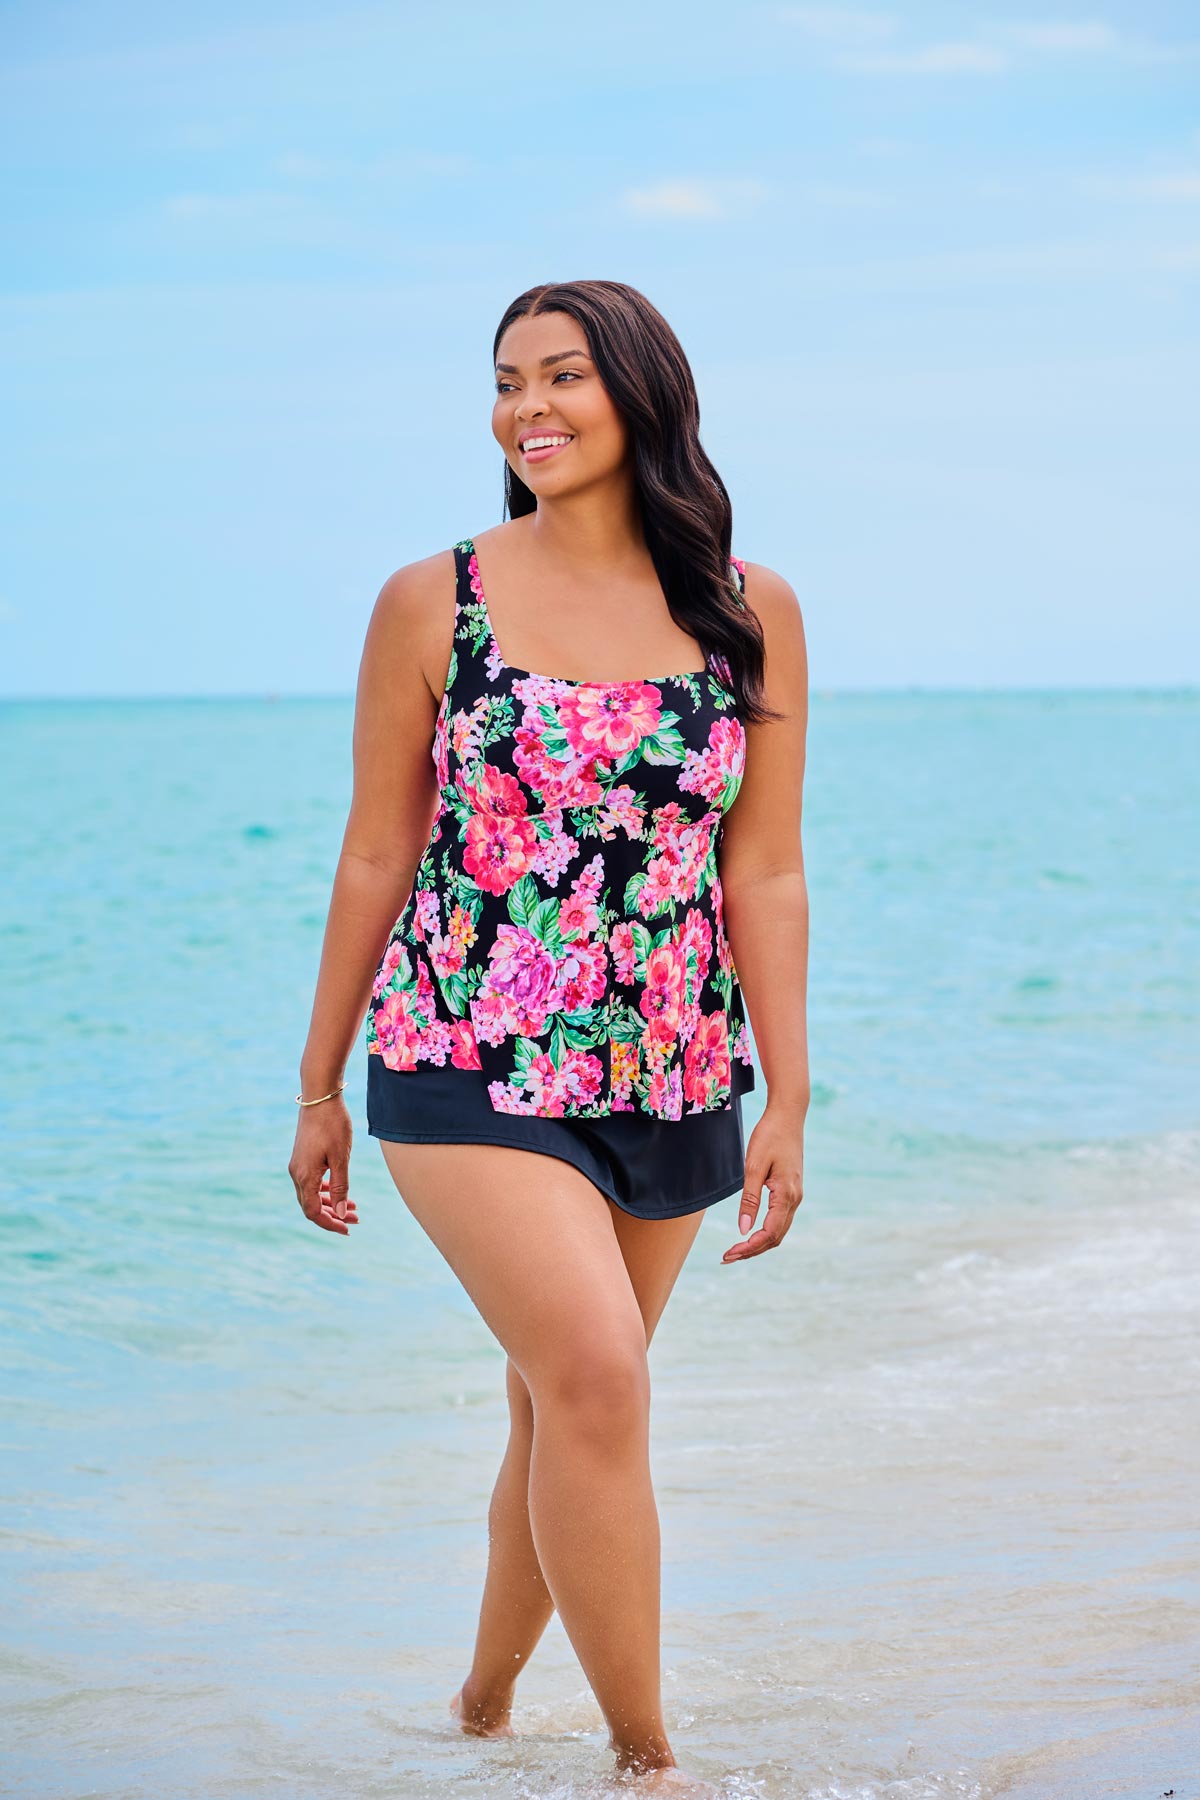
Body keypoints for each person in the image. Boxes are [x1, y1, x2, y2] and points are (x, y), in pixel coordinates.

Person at [288, 278, 810, 1784]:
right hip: (465, 1053)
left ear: (640, 392)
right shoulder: (433, 600)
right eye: (508, 379)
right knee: (595, 1377)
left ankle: (478, 1717)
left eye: (563, 376)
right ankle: (652, 1765)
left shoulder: (747, 608)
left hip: (672, 1068)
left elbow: (760, 865)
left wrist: (787, 1095)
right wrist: (318, 1084)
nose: (529, 406)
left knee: (553, 1409)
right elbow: (377, 850)